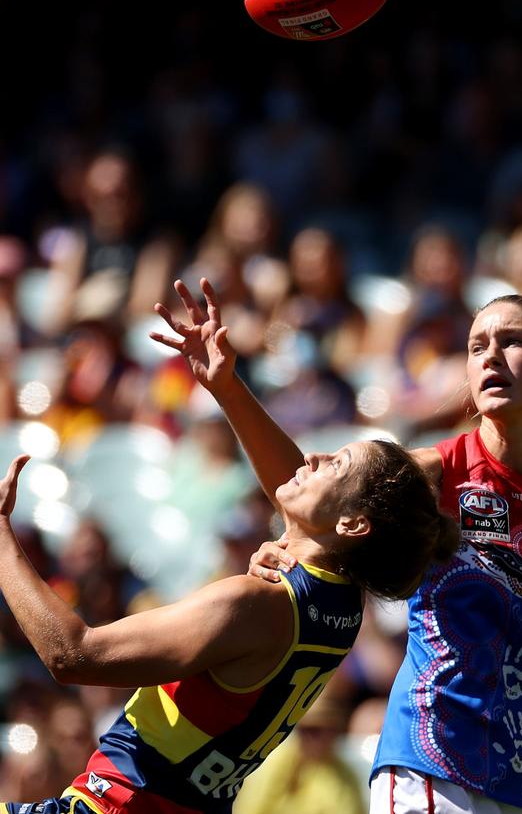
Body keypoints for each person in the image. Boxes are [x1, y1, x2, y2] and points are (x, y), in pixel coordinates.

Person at [0, 281, 458, 814]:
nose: (311, 459)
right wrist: (227, 387)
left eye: (334, 463)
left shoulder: (254, 603)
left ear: (356, 524)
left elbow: (73, 654)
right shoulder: (342, 602)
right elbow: (313, 501)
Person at [199, 284, 522, 814]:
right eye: (477, 346)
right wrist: (229, 388)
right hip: (431, 764)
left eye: (512, 341)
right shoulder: (436, 474)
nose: (491, 357)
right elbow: (315, 496)